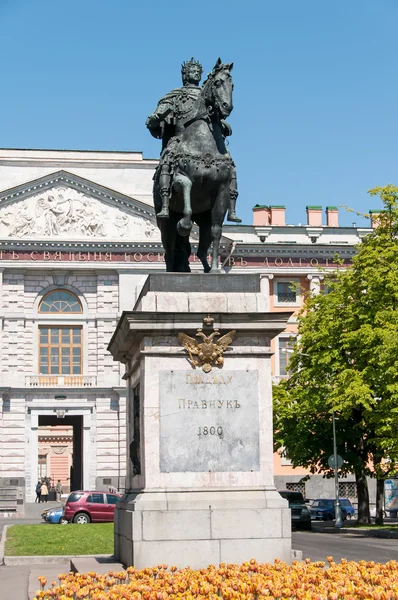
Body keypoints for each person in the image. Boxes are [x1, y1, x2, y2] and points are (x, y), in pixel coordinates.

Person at [146, 58, 241, 223]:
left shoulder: (208, 94)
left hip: (208, 143)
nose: (195, 73)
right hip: (180, 139)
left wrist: (223, 124)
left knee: (229, 164)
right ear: (185, 74)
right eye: (192, 70)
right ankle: (166, 203)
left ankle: (231, 208)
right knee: (167, 159)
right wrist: (158, 118)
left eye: (198, 71)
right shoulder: (174, 96)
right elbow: (155, 117)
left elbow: (217, 117)